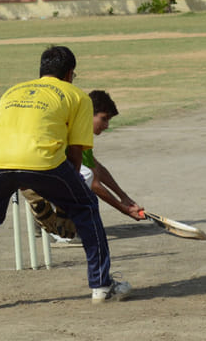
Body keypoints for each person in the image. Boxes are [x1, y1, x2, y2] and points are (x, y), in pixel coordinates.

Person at [0, 46, 132, 309]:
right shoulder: (77, 96)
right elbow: (75, 153)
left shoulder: (12, 91)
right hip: (42, 162)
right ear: (69, 74)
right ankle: (102, 285)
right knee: (87, 207)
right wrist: (67, 200)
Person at [23, 90, 144, 246]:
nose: (106, 125)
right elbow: (93, 183)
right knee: (83, 175)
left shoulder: (80, 127)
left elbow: (96, 167)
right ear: (89, 114)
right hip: (32, 170)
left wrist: (124, 197)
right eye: (104, 119)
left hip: (39, 171)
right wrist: (124, 209)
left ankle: (45, 216)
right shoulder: (75, 127)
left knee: (83, 173)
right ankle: (62, 232)